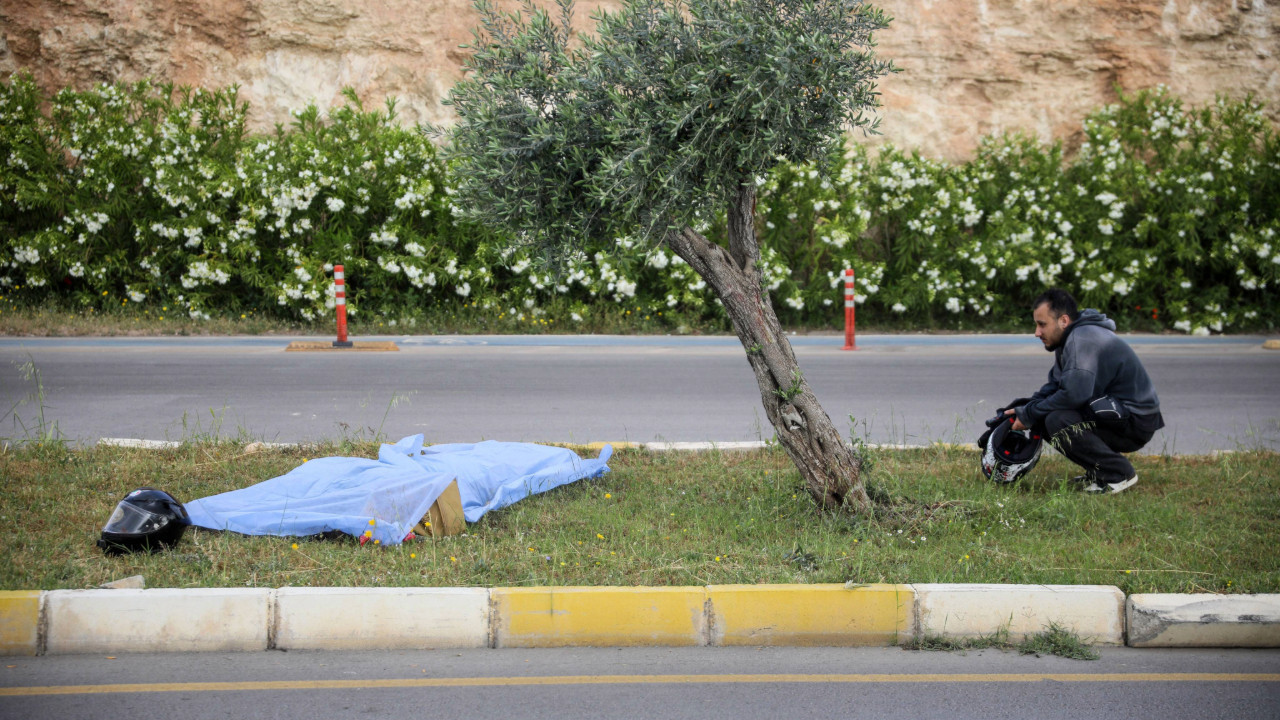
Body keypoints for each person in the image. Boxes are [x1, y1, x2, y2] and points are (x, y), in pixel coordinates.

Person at [1005, 289, 1165, 494]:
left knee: (1056, 420)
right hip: (1113, 412)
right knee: (1044, 415)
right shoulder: (1071, 337)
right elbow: (1055, 386)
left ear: (1063, 320)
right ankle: (1098, 470)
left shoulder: (1082, 340)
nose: (1036, 332)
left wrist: (1030, 414)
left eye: (1042, 324)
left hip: (1136, 422)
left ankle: (1118, 474)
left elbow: (1073, 395)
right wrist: (1023, 409)